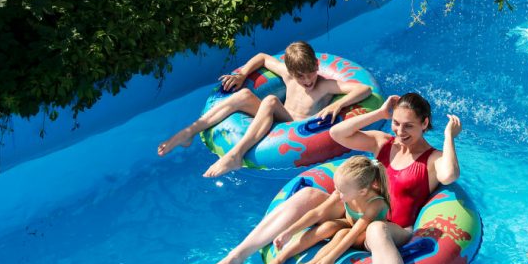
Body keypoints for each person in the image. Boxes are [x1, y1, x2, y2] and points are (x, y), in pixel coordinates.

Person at [194, 92, 461, 264]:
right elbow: (338, 133)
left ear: (425, 123)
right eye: (396, 123)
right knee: (308, 196)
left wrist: (449, 137)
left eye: (409, 126)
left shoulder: (431, 159)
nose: (400, 131)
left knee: (376, 230)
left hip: (391, 226)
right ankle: (235, 258)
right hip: (357, 210)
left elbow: (449, 175)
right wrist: (381, 115)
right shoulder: (383, 142)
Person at [157, 41, 372, 178]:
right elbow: (262, 57)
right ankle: (188, 132)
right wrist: (242, 74)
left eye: (311, 73)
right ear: (291, 71)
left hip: (301, 129)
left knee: (269, 101)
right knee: (243, 95)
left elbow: (363, 89)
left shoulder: (324, 85)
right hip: (281, 120)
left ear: (317, 65)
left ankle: (236, 154)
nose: (307, 80)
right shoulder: (288, 76)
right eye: (301, 76)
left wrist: (337, 104)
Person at [261, 154, 390, 264]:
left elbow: (354, 233)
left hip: (366, 235)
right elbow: (317, 213)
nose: (337, 192)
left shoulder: (375, 204)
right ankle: (278, 260)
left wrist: (332, 257)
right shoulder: (342, 193)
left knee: (342, 233)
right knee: (327, 227)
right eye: (336, 188)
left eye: (341, 191)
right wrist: (290, 231)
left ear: (362, 192)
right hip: (349, 224)